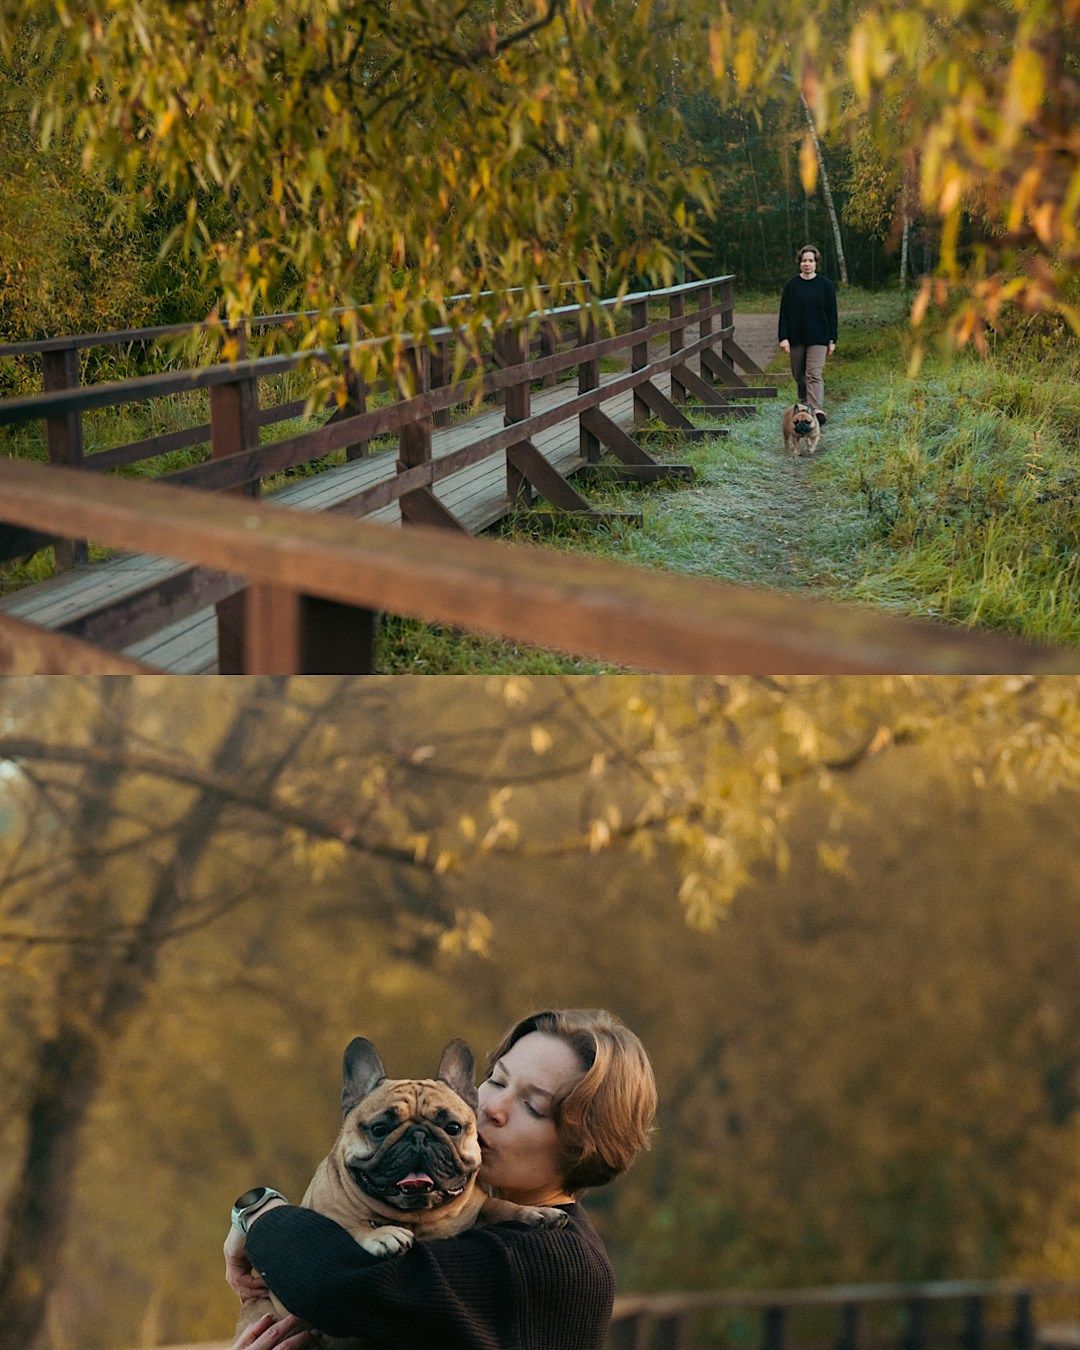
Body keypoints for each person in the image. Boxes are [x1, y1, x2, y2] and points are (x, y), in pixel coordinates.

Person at [224, 1008, 658, 1350]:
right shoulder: (473, 1220)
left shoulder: (554, 1260)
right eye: (497, 1080)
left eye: (532, 1107)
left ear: (584, 1147)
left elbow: (339, 1282)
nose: (491, 1108)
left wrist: (258, 1212)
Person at [777, 244, 838, 425]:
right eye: (804, 261)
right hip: (796, 337)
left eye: (811, 261)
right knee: (799, 375)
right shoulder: (791, 285)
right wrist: (783, 337)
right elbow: (784, 313)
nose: (807, 264)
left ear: (816, 262)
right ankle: (804, 404)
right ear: (799, 263)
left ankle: (815, 409)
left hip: (819, 337)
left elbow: (832, 314)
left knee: (814, 373)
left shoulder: (826, 286)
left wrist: (832, 339)